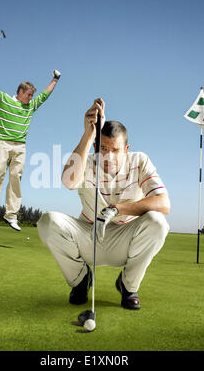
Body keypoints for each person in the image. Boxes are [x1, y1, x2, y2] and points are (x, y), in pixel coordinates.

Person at [37, 98, 170, 310]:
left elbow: (163, 203)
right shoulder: (88, 160)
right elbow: (67, 182)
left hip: (125, 237)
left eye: (115, 150)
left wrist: (117, 209)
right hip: (89, 234)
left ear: (126, 149)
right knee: (47, 221)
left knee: (158, 222)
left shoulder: (140, 160)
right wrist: (89, 134)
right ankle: (81, 279)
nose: (108, 155)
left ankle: (128, 285)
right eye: (103, 148)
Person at [0, 51, 61, 231]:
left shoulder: (30, 106)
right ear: (21, 92)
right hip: (3, 144)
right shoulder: (4, 100)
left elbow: (45, 95)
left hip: (21, 147)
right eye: (29, 95)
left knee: (16, 178)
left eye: (32, 95)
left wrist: (55, 80)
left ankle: (11, 215)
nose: (31, 98)